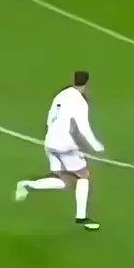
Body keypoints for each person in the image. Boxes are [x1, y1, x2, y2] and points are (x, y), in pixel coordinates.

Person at [15, 71, 104, 230]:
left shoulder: (62, 94)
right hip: (65, 145)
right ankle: (81, 217)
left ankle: (27, 185)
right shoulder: (81, 102)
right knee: (83, 176)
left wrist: (53, 134)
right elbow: (83, 127)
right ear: (87, 83)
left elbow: (50, 117)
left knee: (63, 181)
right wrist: (96, 145)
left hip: (50, 142)